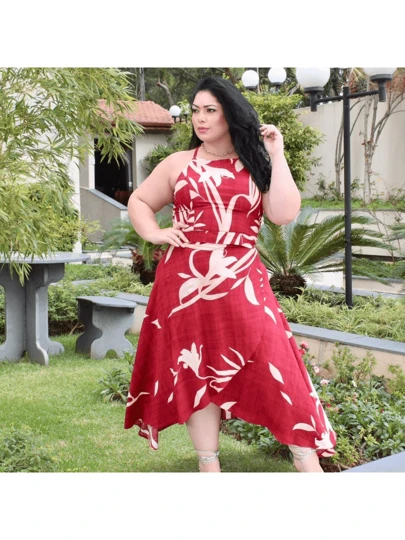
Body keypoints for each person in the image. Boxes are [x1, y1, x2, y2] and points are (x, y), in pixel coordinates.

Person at [124, 76, 336, 473]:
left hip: (242, 281)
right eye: (195, 111)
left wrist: (277, 154)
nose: (200, 119)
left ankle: (307, 463)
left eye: (210, 110)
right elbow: (139, 200)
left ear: (230, 114)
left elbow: (283, 213)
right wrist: (154, 233)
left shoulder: (255, 161)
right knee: (195, 371)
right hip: (183, 284)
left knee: (276, 362)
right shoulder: (179, 163)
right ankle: (209, 467)